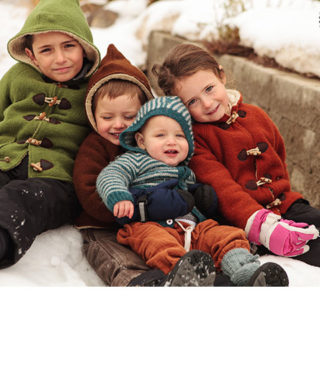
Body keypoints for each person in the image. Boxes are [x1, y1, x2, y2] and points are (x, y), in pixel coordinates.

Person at [153, 43, 320, 267]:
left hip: (285, 205)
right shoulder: (195, 140)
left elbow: (278, 156)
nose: (208, 103)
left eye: (209, 89)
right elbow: (223, 189)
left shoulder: (256, 115)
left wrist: (283, 200)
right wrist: (265, 227)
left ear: (221, 76)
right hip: (245, 221)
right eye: (192, 101)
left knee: (315, 222)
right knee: (311, 249)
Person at [96, 95, 289, 286]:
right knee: (157, 243)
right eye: (160, 135)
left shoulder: (187, 170)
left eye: (179, 136)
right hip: (151, 225)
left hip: (193, 229)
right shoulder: (135, 160)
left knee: (226, 235)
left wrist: (205, 200)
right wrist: (119, 197)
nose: (171, 142)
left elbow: (196, 203)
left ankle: (244, 271)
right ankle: (182, 276)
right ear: (141, 141)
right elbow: (110, 176)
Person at [73, 43, 218, 286]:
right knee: (116, 259)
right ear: (93, 115)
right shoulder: (95, 146)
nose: (118, 125)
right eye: (107, 117)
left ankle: (204, 273)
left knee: (171, 242)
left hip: (156, 223)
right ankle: (142, 284)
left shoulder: (155, 145)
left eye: (129, 117)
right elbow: (87, 187)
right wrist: (135, 209)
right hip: (102, 224)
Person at [0, 0, 101, 267]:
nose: (60, 58)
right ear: (31, 55)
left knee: (22, 199)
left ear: (85, 46)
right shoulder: (18, 75)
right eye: (47, 50)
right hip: (4, 160)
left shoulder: (97, 86)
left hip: (57, 181)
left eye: (69, 46)